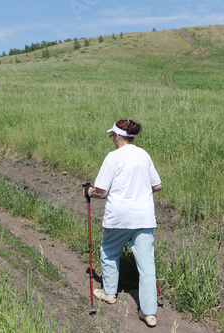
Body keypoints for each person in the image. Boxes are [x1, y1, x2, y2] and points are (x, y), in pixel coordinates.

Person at [85, 119, 162, 327]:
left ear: (118, 136)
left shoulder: (113, 158)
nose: (112, 140)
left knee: (109, 251)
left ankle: (110, 293)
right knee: (146, 266)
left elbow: (101, 192)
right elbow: (157, 185)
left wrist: (89, 191)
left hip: (119, 218)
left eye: (112, 136)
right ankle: (149, 313)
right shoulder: (143, 155)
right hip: (144, 217)